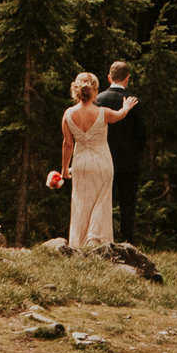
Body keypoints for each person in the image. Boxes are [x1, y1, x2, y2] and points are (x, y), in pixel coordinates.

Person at [60, 70, 137, 248]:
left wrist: (65, 168)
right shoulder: (103, 112)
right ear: (95, 90)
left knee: (81, 201)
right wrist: (126, 107)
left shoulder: (68, 114)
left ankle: (78, 243)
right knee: (101, 201)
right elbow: (120, 115)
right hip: (101, 162)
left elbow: (67, 144)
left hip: (79, 164)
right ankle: (95, 241)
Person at [95, 60, 145, 245]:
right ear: (127, 78)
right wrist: (137, 153)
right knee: (128, 203)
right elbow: (142, 133)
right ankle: (127, 240)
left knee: (103, 200)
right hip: (129, 160)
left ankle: (102, 239)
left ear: (109, 77)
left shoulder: (98, 100)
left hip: (103, 157)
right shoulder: (134, 101)